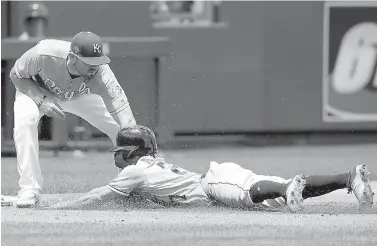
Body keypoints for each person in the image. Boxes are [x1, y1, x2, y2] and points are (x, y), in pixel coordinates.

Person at [47, 125, 374, 212]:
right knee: (282, 194)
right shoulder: (146, 169)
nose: (115, 156)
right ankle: (349, 178)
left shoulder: (134, 172)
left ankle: (284, 190)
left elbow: (98, 196)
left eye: (119, 150)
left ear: (130, 151)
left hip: (216, 185)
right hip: (219, 181)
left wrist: (58, 207)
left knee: (260, 194)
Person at [2, 31, 137, 208]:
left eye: (98, 61)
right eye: (90, 62)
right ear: (73, 57)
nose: (95, 67)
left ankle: (131, 183)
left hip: (77, 96)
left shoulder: (102, 73)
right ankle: (29, 189)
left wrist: (134, 146)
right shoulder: (43, 53)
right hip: (38, 91)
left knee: (119, 130)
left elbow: (127, 119)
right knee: (26, 120)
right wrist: (41, 99)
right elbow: (16, 75)